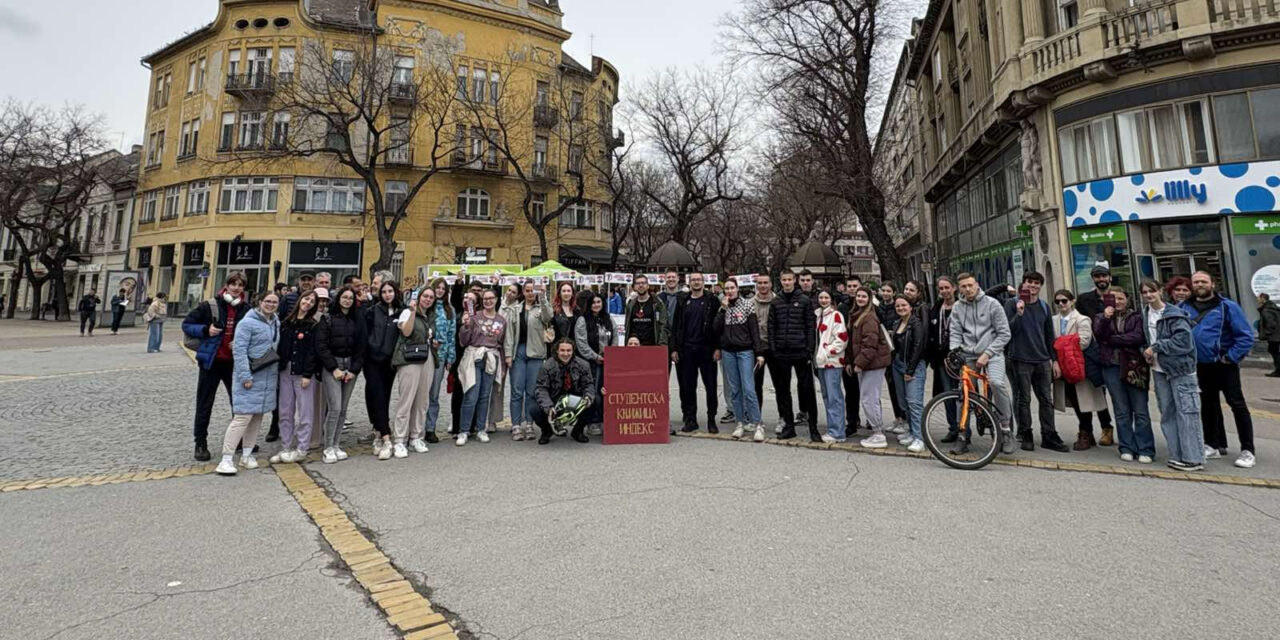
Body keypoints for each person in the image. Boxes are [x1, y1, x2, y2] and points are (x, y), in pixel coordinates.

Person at [1182, 271, 1256, 468]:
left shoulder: (1227, 306)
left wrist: (1230, 357)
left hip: (1224, 365)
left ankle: (1248, 450)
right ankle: (1212, 444)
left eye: (1203, 281)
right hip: (1199, 365)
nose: (1199, 285)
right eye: (1196, 282)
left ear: (1212, 284)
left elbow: (1245, 336)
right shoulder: (1184, 307)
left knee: (1237, 405)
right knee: (1208, 405)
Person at [183, 273, 248, 461]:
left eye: (240, 285)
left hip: (233, 363)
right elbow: (187, 324)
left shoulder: (246, 309)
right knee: (205, 403)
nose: (236, 288)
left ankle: (238, 439)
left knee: (238, 403)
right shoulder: (209, 305)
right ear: (226, 285)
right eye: (233, 284)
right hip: (211, 362)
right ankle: (200, 443)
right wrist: (206, 330)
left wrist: (241, 342)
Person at [214, 291, 280, 476]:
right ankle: (226, 459)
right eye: (268, 301)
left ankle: (247, 454)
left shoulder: (276, 322)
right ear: (260, 302)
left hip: (267, 377)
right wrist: (245, 377)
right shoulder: (246, 323)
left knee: (257, 417)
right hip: (250, 376)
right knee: (242, 418)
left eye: (274, 302)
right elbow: (239, 351)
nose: (271, 304)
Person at [1142, 280, 1205, 471]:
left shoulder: (1174, 314)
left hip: (1181, 369)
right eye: (1144, 292)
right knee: (1167, 413)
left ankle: (1193, 458)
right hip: (1159, 370)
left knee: (1187, 413)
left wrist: (1156, 347)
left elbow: (1184, 342)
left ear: (1160, 291)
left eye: (1152, 291)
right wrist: (1146, 352)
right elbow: (1146, 339)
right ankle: (1177, 454)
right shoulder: (1145, 313)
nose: (1148, 295)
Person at [949, 273, 1014, 453]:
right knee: (964, 392)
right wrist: (954, 350)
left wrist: (988, 353)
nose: (968, 289)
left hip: (992, 352)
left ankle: (1006, 430)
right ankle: (963, 434)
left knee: (996, 383)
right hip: (968, 353)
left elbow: (1004, 334)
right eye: (963, 286)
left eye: (970, 285)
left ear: (977, 284)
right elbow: (955, 332)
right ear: (959, 289)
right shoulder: (957, 307)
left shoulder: (992, 304)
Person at [1004, 272, 1069, 453]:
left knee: (1046, 399)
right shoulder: (1011, 304)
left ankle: (1049, 435)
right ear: (1023, 284)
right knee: (1024, 399)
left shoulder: (1044, 306)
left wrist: (1054, 360)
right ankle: (1026, 434)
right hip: (1020, 359)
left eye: (1036, 283)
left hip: (1041, 359)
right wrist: (1019, 313)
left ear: (1040, 286)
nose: (1032, 286)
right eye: (1029, 282)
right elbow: (1007, 331)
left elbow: (1049, 335)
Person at [1093, 288, 1154, 463]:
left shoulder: (1137, 317)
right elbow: (1099, 335)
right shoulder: (1100, 317)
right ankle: (1126, 447)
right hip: (1111, 366)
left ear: (1127, 299)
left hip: (1134, 365)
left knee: (1140, 410)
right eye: (1113, 299)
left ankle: (1145, 448)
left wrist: (1112, 340)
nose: (1117, 302)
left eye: (1120, 298)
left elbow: (1138, 337)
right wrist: (1106, 318)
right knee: (1121, 410)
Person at [1050, 290, 1107, 450]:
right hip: (1062, 366)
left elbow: (1083, 342)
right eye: (1058, 301)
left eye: (1064, 301)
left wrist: (1059, 344)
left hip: (1079, 365)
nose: (1061, 304)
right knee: (1074, 400)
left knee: (1083, 401)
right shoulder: (1053, 320)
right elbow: (1050, 341)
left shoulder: (1082, 319)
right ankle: (1087, 432)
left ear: (1072, 301)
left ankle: (1085, 432)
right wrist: (1067, 343)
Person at [316, 286, 367, 463]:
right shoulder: (328, 318)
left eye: (350, 298)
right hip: (333, 366)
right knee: (335, 407)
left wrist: (354, 370)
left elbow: (361, 347)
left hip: (350, 366)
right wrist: (333, 368)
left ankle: (336, 444)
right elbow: (321, 346)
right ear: (338, 299)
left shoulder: (357, 320)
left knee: (343, 409)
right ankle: (328, 446)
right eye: (344, 297)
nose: (347, 301)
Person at [768, 269, 819, 442]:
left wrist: (809, 350)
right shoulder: (776, 302)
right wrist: (774, 349)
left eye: (790, 279)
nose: (787, 282)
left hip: (800, 351)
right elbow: (771, 327)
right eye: (784, 280)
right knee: (783, 391)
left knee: (807, 390)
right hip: (782, 352)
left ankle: (813, 428)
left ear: (794, 280)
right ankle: (789, 427)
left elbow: (810, 326)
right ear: (780, 281)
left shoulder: (804, 300)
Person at [271, 290, 321, 464]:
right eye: (306, 299)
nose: (308, 302)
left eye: (312, 301)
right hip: (285, 371)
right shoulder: (286, 323)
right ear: (300, 300)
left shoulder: (313, 325)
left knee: (305, 412)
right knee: (285, 411)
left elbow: (313, 352)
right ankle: (285, 446)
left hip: (303, 373)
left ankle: (302, 448)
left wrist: (308, 374)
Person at [713, 280, 765, 442]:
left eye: (732, 288)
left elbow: (754, 330)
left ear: (737, 289)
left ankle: (757, 424)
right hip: (728, 352)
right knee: (735, 390)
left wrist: (759, 352)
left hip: (745, 351)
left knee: (749, 389)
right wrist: (723, 309)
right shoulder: (723, 307)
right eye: (727, 288)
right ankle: (740, 422)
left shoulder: (747, 305)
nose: (730, 291)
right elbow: (715, 329)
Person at [389, 287, 437, 458]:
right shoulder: (407, 312)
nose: (428, 299)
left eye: (431, 297)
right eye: (425, 296)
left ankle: (416, 436)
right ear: (419, 297)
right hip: (409, 358)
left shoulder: (431, 316)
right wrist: (412, 312)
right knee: (406, 399)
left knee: (422, 400)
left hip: (427, 356)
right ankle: (399, 439)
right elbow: (406, 332)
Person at [1073, 264, 1117, 446]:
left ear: (1110, 277)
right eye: (1097, 277)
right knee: (1090, 392)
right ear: (1093, 279)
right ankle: (1089, 430)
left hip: (1114, 350)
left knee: (1111, 394)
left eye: (1104, 276)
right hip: (1091, 351)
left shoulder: (1117, 297)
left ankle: (1109, 428)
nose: (1101, 279)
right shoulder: (1084, 299)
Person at [673, 272, 720, 433]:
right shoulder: (682, 301)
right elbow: (677, 326)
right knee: (688, 387)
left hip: (707, 349)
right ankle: (690, 419)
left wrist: (717, 348)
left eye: (699, 280)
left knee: (711, 387)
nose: (696, 282)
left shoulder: (712, 300)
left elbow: (718, 326)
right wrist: (675, 348)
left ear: (703, 282)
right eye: (693, 280)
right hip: (687, 350)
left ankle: (711, 419)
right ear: (689, 282)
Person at [458, 287, 506, 446]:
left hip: (491, 359)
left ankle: (481, 429)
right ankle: (464, 430)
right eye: (485, 298)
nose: (488, 301)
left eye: (491, 298)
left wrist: (503, 365)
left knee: (485, 396)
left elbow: (501, 344)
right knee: (471, 394)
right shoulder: (474, 317)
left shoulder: (502, 321)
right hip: (474, 357)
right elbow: (464, 341)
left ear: (496, 300)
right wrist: (465, 326)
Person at [505, 282, 553, 440]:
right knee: (517, 390)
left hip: (536, 352)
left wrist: (543, 297)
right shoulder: (515, 309)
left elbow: (548, 317)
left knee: (532, 391)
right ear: (523, 292)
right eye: (528, 290)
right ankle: (516, 425)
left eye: (533, 290)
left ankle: (529, 424)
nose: (531, 293)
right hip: (518, 351)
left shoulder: (540, 308)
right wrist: (508, 355)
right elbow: (509, 334)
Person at [846, 289, 892, 448]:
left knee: (869, 398)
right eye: (858, 296)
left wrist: (859, 363)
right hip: (868, 363)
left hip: (873, 364)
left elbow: (870, 344)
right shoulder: (857, 315)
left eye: (864, 296)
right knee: (870, 397)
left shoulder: (869, 318)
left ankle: (878, 434)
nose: (860, 298)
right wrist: (850, 361)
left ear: (870, 299)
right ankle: (877, 431)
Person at [363, 280, 403, 459]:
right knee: (376, 393)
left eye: (390, 291)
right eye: (384, 291)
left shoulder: (402, 311)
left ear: (396, 292)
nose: (387, 294)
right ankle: (385, 435)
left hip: (390, 361)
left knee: (384, 395)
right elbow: (365, 333)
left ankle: (379, 431)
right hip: (372, 360)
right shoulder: (373, 311)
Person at [532, 339, 597, 444]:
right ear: (557, 351)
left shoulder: (584, 365)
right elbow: (541, 388)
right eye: (562, 350)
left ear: (573, 351)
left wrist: (588, 397)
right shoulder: (547, 366)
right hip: (554, 399)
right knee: (534, 408)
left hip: (575, 398)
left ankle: (578, 431)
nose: (565, 354)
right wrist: (548, 407)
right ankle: (547, 431)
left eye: (568, 350)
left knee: (595, 400)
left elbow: (588, 384)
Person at [574, 291, 614, 437]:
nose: (596, 305)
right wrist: (595, 356)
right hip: (590, 362)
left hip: (608, 362)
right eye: (593, 303)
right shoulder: (582, 320)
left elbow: (615, 337)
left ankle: (605, 420)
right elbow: (581, 343)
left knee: (606, 391)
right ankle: (592, 421)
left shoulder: (609, 319)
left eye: (598, 302)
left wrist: (611, 354)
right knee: (593, 393)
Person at [813, 290, 849, 444]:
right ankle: (832, 428)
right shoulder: (818, 315)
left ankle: (837, 432)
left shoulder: (836, 315)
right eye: (821, 297)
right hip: (821, 361)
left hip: (832, 362)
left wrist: (827, 352)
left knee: (834, 396)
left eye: (826, 297)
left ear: (831, 299)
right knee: (827, 396)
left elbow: (842, 339)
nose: (823, 300)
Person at [927, 277, 958, 440]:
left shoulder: (961, 306)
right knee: (948, 394)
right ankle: (953, 428)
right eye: (941, 288)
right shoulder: (937, 307)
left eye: (947, 287)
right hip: (941, 359)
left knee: (963, 394)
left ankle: (964, 429)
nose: (944, 291)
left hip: (959, 357)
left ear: (954, 288)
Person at [426, 278, 456, 441]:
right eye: (437, 287)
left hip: (441, 355)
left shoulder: (449, 310)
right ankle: (415, 427)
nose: (440, 290)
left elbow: (451, 334)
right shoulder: (426, 305)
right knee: (421, 392)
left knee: (434, 393)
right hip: (424, 353)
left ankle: (430, 428)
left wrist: (450, 357)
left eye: (443, 289)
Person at [876, 281, 906, 433]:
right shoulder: (878, 308)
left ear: (894, 293)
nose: (886, 293)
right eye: (883, 290)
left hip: (898, 352)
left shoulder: (898, 307)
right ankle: (898, 417)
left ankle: (905, 419)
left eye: (889, 291)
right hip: (884, 351)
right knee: (891, 387)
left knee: (900, 387)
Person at [751, 273, 778, 421]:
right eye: (760, 283)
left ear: (770, 284)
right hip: (756, 348)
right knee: (755, 386)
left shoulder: (778, 301)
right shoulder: (750, 303)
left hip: (774, 348)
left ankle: (783, 418)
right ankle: (756, 418)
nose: (762, 286)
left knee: (780, 386)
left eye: (765, 283)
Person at [624, 275, 669, 348]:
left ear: (648, 286)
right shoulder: (630, 305)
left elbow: (663, 325)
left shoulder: (657, 304)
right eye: (638, 283)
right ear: (634, 287)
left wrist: (662, 344)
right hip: (634, 347)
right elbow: (627, 326)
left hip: (652, 346)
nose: (641, 285)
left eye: (643, 283)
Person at [1257, 292, 1280, 377]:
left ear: (1263, 299)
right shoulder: (1273, 307)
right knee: (1275, 351)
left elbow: (1270, 323)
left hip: (1274, 336)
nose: (1257, 300)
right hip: (1277, 335)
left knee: (1274, 352)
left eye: (1258, 298)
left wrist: (1266, 333)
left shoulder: (1266, 309)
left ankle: (1278, 371)